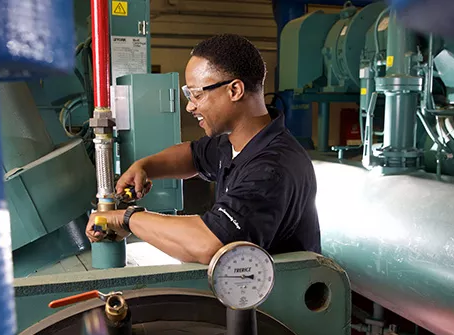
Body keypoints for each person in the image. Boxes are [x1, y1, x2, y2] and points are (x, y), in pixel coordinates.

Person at [85, 34, 321, 264]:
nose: (190, 106)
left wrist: (126, 218)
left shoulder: (271, 168)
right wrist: (145, 167)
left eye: (197, 94)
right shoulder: (234, 140)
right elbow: (193, 155)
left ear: (234, 90)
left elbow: (211, 244)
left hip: (274, 297)